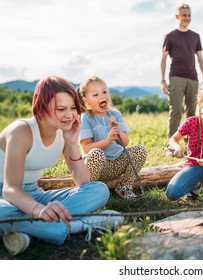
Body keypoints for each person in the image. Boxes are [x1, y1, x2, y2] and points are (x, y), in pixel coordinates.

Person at [0, 76, 123, 256]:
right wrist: (39, 210)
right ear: (42, 107)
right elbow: (10, 190)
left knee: (99, 190)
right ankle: (78, 226)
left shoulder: (64, 131)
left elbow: (83, 181)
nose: (69, 115)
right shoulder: (21, 131)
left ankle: (29, 229)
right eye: (61, 109)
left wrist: (72, 143)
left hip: (34, 193)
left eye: (73, 108)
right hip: (6, 195)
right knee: (4, 212)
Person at [77, 76, 147, 201]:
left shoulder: (116, 114)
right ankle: (90, 190)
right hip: (97, 166)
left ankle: (124, 186)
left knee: (140, 150)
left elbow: (125, 142)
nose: (102, 96)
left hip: (116, 164)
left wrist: (117, 130)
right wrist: (107, 141)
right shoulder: (86, 117)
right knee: (96, 153)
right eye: (95, 94)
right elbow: (87, 148)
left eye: (104, 92)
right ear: (86, 100)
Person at [160, 3, 203, 142]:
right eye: (184, 15)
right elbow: (163, 60)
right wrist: (162, 80)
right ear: (177, 16)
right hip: (176, 77)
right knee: (175, 111)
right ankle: (172, 144)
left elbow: (200, 59)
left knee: (192, 112)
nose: (187, 18)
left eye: (189, 15)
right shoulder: (170, 36)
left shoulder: (195, 36)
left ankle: (191, 142)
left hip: (193, 78)